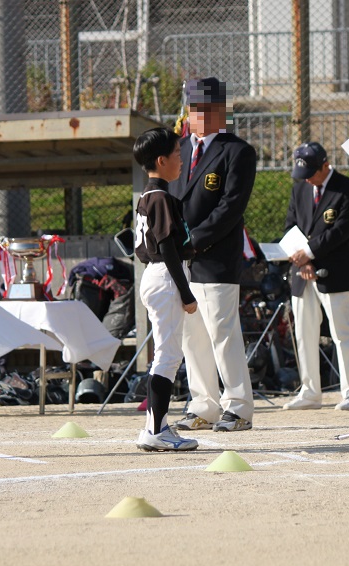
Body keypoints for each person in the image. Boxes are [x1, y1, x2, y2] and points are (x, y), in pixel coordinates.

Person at [169, 77, 257, 432]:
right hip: (181, 258)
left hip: (216, 256)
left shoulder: (237, 151)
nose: (201, 116)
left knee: (222, 332)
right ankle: (203, 406)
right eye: (195, 109)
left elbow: (230, 207)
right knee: (192, 337)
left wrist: (194, 240)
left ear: (222, 112)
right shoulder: (178, 148)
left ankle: (238, 407)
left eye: (208, 109)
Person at [280, 142, 349, 412]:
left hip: (334, 272)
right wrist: (302, 259)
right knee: (304, 333)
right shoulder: (299, 189)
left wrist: (309, 253)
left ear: (325, 165)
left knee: (343, 331)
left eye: (311, 173)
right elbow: (290, 226)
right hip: (301, 272)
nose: (306, 179)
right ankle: (309, 392)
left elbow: (341, 230)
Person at [131, 126, 200, 451]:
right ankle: (156, 430)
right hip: (165, 275)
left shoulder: (148, 196)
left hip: (156, 275)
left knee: (166, 354)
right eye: (176, 154)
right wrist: (186, 294)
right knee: (168, 355)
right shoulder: (159, 197)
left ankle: (155, 427)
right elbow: (168, 248)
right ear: (161, 160)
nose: (181, 160)